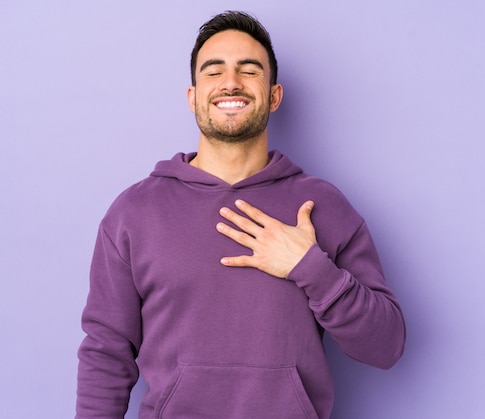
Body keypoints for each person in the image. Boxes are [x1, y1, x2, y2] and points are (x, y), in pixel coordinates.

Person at [76, 10, 406, 419]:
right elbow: (106, 352)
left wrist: (309, 267)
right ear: (194, 96)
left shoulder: (322, 206)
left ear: (273, 95)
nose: (230, 82)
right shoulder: (135, 212)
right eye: (214, 72)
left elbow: (386, 345)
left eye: (249, 70)